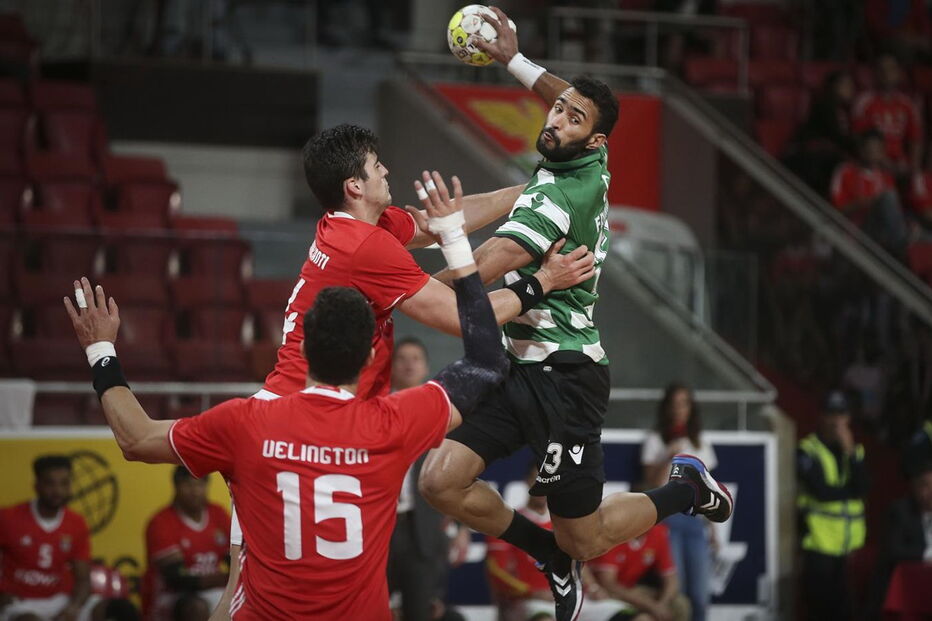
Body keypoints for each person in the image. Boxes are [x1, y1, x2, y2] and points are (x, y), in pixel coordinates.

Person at [61, 173, 511, 619]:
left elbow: (136, 439)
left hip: (274, 453)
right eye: (378, 166)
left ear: (300, 342)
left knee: (235, 589)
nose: (387, 171)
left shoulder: (246, 423)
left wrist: (101, 350)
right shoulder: (389, 425)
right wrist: (533, 280)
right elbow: (483, 352)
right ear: (373, 354)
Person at [417, 8, 734, 621]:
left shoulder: (556, 201)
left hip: (567, 381)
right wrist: (512, 58)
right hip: (518, 367)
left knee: (584, 537)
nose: (557, 117)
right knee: (439, 482)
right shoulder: (586, 160)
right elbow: (570, 96)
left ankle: (686, 490)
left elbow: (473, 272)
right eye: (557, 110)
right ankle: (547, 555)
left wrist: (399, 289)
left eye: (572, 117)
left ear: (595, 139)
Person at [216, 124, 596, 617]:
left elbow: (442, 222)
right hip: (295, 424)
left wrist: (535, 188)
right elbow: (464, 319)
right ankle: (549, 550)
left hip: (329, 418)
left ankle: (547, 551)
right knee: (250, 592)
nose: (387, 170)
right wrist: (542, 282)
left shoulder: (356, 226)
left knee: (312, 585)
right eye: (377, 166)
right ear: (355, 185)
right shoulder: (365, 248)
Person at [485, 463, 635, 621]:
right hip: (530, 601)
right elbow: (496, 571)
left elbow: (577, 562)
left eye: (548, 482)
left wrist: (593, 588)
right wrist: (532, 592)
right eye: (538, 480)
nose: (542, 487)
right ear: (526, 482)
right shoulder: (508, 523)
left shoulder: (566, 524)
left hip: (571, 597)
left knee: (632, 616)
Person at [387, 337, 467, 621]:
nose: (409, 364)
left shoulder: (440, 411)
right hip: (380, 523)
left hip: (423, 526)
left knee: (420, 611)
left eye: (416, 359)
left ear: (426, 367)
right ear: (391, 366)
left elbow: (457, 470)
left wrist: (462, 525)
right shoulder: (374, 407)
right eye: (402, 358)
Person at [640, 384, 716, 621]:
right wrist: (669, 455)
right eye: (674, 404)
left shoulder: (700, 442)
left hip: (695, 521)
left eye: (684, 403)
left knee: (700, 595)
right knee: (678, 593)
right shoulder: (655, 440)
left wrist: (712, 526)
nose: (679, 409)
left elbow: (708, 488)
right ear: (666, 408)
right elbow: (650, 485)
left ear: (691, 408)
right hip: (668, 521)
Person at [797, 390, 868, 621]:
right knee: (821, 610)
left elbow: (864, 486)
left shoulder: (854, 451)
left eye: (841, 414)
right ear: (821, 416)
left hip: (848, 547)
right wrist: (851, 492)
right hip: (819, 545)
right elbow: (821, 492)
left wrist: (850, 452)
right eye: (831, 414)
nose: (836, 421)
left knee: (846, 612)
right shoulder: (807, 450)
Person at [0, 455, 95, 621]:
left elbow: (83, 580)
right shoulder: (8, 518)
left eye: (64, 483)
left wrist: (71, 610)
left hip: (60, 600)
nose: (58, 491)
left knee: (119, 609)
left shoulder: (76, 523)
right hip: (21, 603)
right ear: (36, 485)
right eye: (50, 483)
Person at [141, 467, 230, 621]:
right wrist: (225, 579)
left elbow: (235, 560)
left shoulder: (218, 514)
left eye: (200, 485)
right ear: (176, 487)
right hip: (172, 596)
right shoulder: (161, 522)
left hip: (213, 590)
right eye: (188, 485)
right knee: (196, 608)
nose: (195, 491)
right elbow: (177, 578)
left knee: (247, 602)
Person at [868, 460, 932, 618]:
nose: (931, 492)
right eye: (925, 486)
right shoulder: (900, 511)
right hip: (903, 591)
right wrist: (928, 554)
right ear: (914, 488)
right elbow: (893, 551)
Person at [830, 130, 909, 255]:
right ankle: (900, 246)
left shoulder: (886, 177)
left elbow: (893, 213)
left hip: (880, 230)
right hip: (855, 228)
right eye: (869, 149)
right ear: (861, 150)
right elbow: (836, 209)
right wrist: (866, 203)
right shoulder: (845, 171)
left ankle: (900, 245)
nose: (872, 154)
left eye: (877, 150)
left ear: (882, 153)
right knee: (887, 197)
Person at [591, 523, 691, 621]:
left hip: (634, 588)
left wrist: (662, 603)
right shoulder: (615, 534)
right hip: (607, 592)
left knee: (680, 604)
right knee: (644, 618)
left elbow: (671, 578)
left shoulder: (658, 531)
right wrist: (651, 605)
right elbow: (608, 583)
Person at [852, 52, 924, 176]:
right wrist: (879, 161)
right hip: (872, 164)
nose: (886, 73)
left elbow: (915, 139)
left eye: (891, 69)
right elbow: (857, 138)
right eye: (882, 69)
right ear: (875, 73)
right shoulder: (864, 102)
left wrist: (914, 169)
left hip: (901, 165)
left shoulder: (908, 105)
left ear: (898, 73)